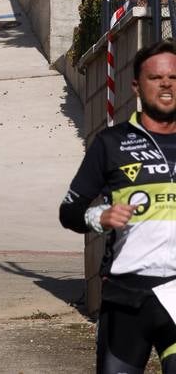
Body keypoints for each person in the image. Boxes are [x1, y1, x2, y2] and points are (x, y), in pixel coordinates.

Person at [60, 39, 176, 373]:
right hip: (127, 295)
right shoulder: (112, 144)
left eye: (173, 77)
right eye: (156, 78)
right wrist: (100, 216)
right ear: (137, 86)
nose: (166, 83)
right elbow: (69, 212)